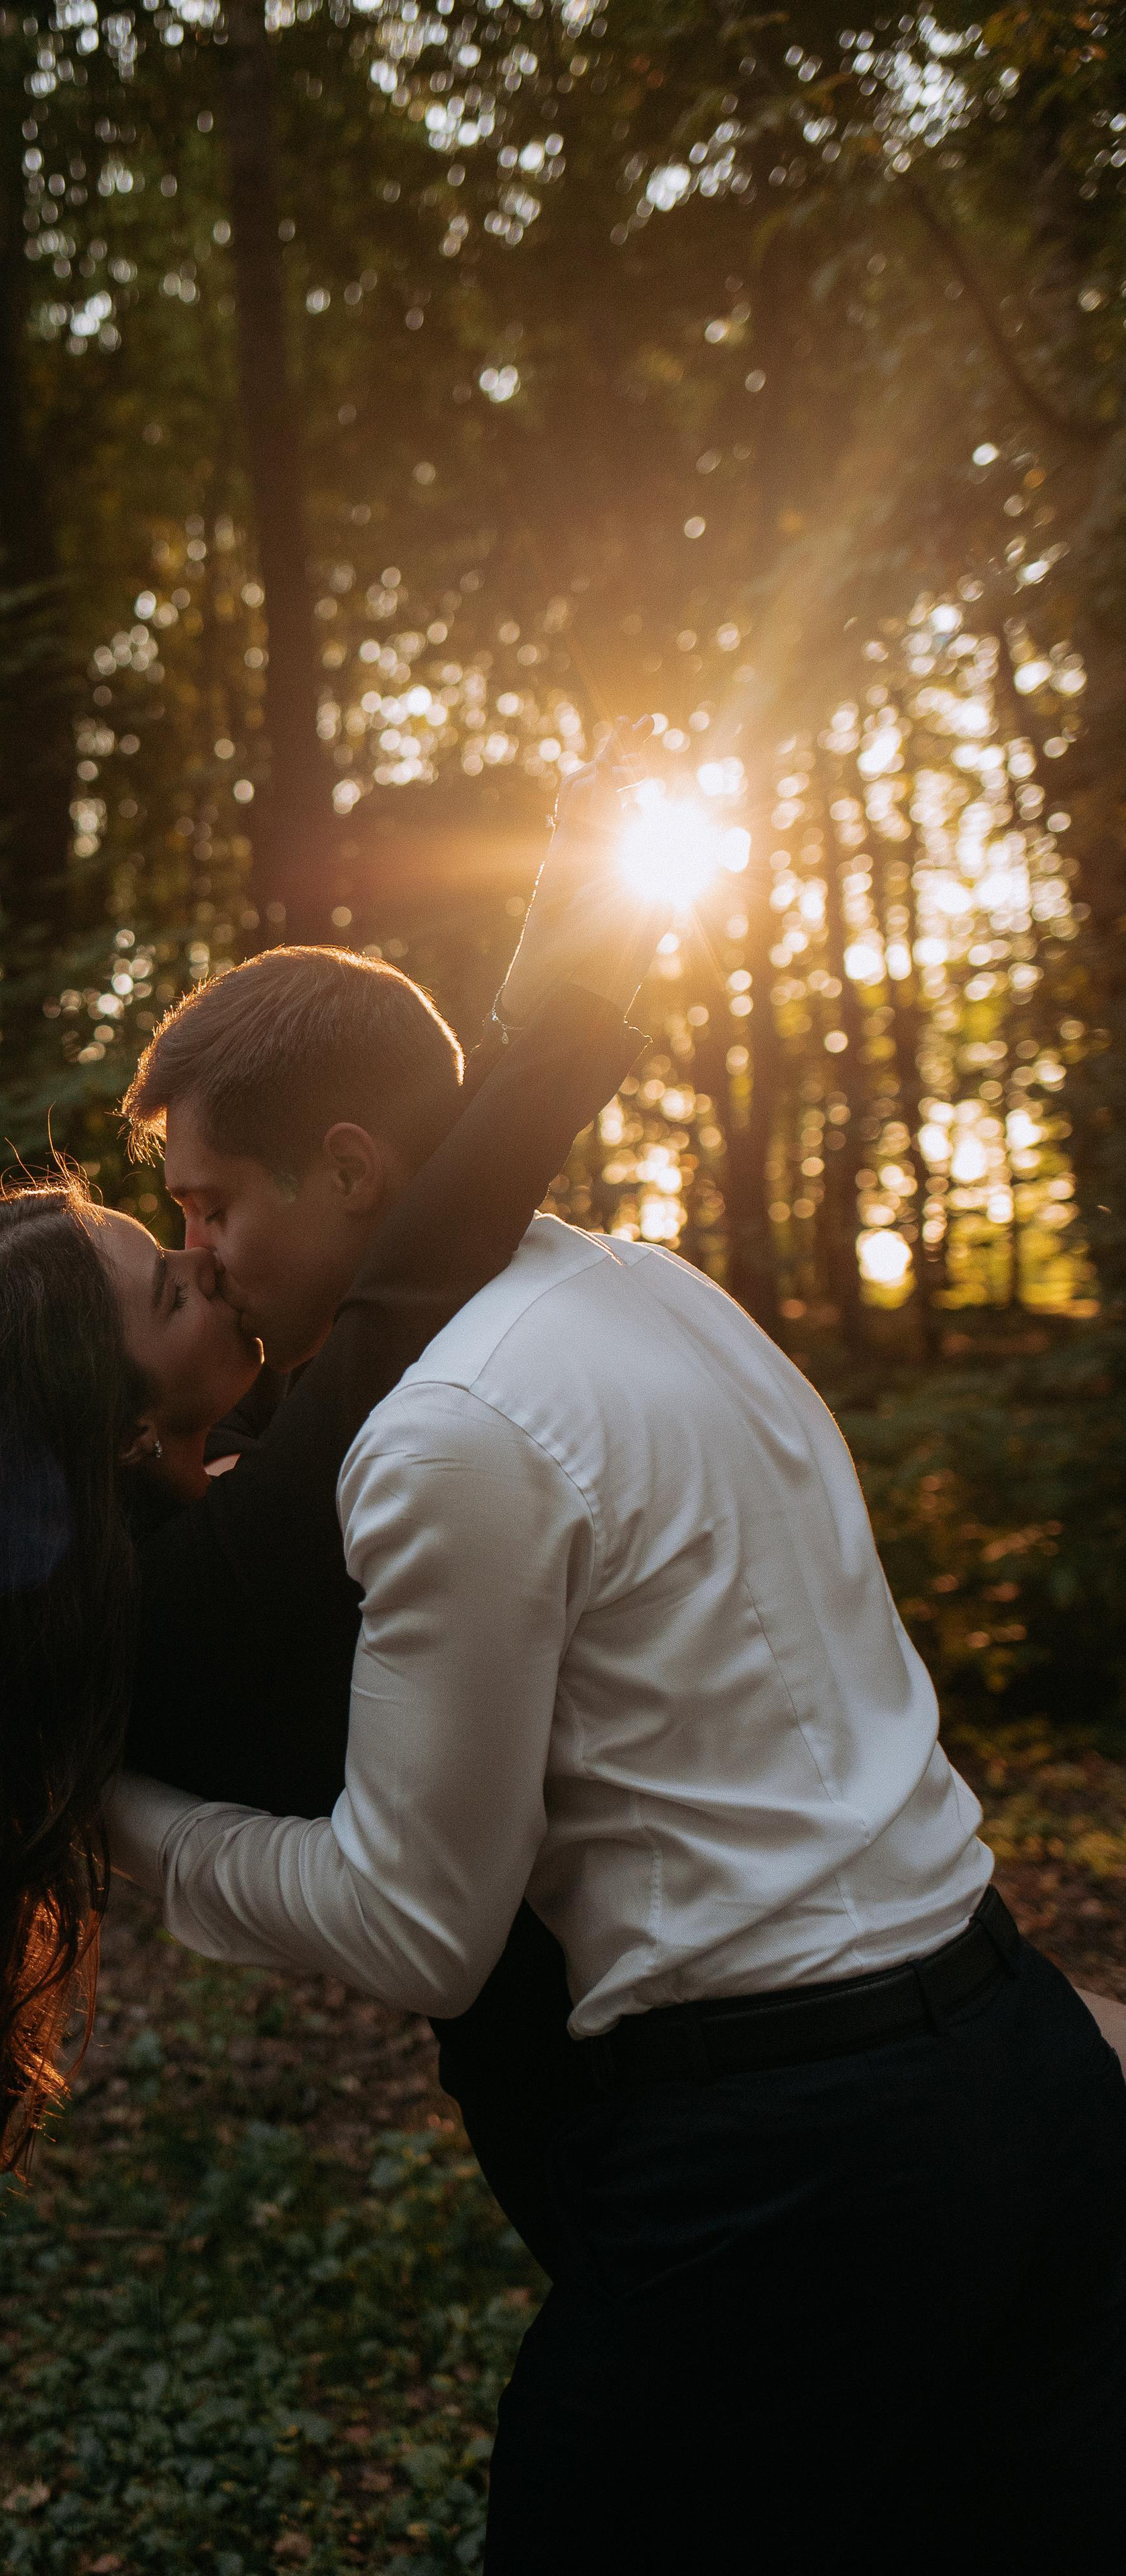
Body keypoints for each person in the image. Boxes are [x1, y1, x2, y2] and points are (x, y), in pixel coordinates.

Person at [109, 943, 1126, 2564]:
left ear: (353, 1170)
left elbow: (415, 1924)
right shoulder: (654, 1287)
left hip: (791, 2168)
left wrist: (123, 1825)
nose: (199, 1249)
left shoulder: (446, 1431)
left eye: (212, 1203)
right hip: (1029, 2070)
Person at [0, 762, 651, 2241]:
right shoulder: (193, 1597)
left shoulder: (132, 1573)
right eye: (171, 1274)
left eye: (189, 1226)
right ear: (105, 1425)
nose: (209, 1263)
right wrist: (558, 1014)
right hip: (616, 2123)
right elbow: (406, 1293)